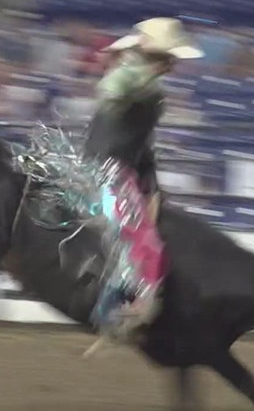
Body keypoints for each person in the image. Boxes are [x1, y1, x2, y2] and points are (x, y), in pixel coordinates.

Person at [81, 17, 204, 339]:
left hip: (120, 168)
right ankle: (115, 309)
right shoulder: (135, 83)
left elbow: (140, 140)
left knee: (146, 239)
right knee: (144, 244)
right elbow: (112, 93)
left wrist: (151, 184)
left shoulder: (147, 89)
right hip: (107, 170)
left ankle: (123, 303)